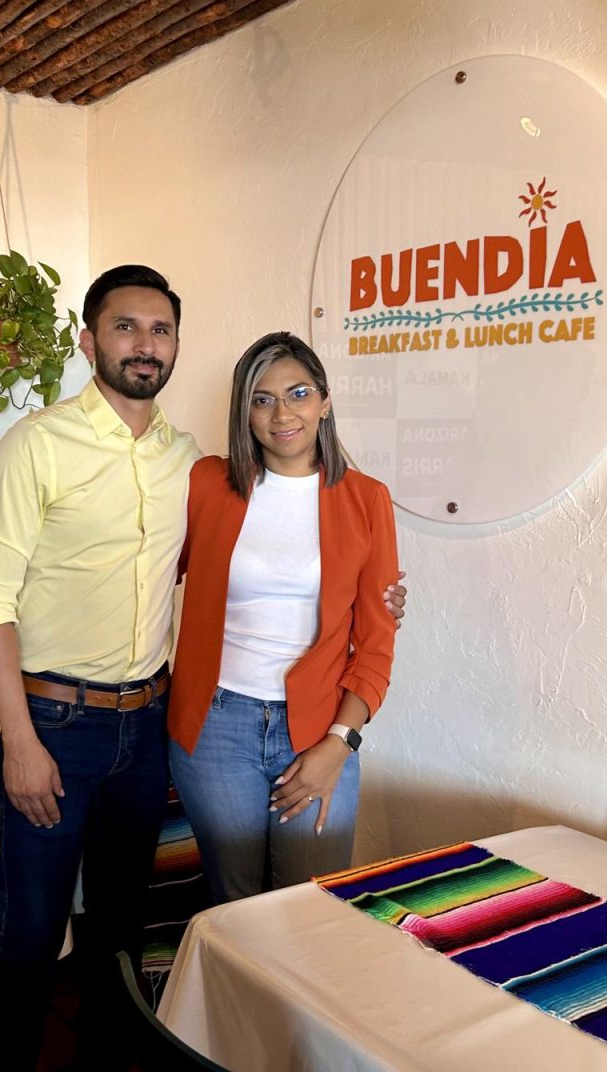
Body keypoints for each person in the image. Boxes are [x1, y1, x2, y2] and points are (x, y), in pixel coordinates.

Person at [0, 271, 402, 1070]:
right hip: (75, 722)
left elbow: (352, 617)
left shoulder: (192, 465)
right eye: (125, 328)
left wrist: (376, 626)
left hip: (152, 723)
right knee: (33, 936)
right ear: (89, 340)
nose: (144, 344)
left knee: (128, 931)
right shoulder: (61, 450)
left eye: (159, 330)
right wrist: (17, 735)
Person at [169, 331, 399, 903]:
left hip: (320, 728)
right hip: (215, 725)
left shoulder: (367, 500)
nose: (282, 413)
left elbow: (375, 644)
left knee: (311, 907)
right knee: (234, 904)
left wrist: (338, 745)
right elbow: (146, 573)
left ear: (325, 400)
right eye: (262, 398)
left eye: (298, 393)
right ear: (244, 412)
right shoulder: (206, 485)